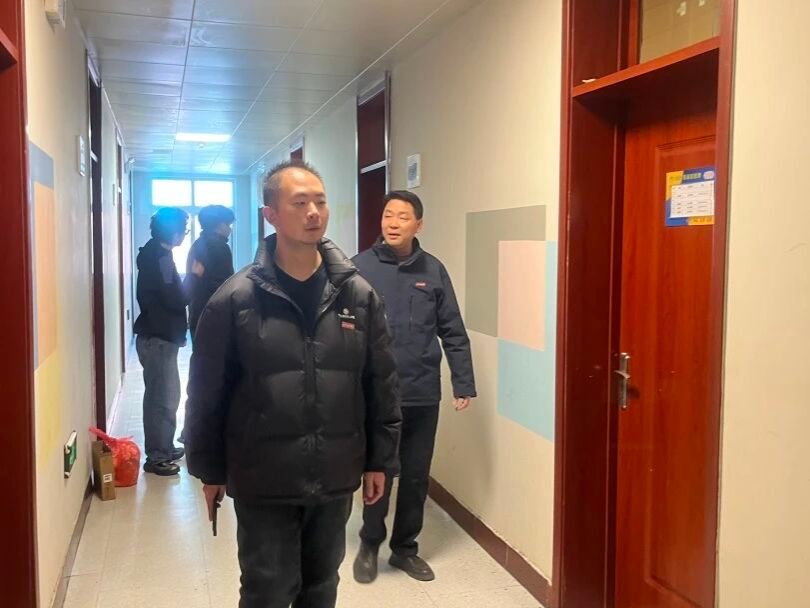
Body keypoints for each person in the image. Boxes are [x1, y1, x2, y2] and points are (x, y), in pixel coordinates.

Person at [184, 160, 402, 608]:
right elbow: (206, 393)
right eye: (299, 203)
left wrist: (380, 459)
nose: (313, 212)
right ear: (271, 215)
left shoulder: (357, 295)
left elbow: (380, 382)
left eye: (320, 201)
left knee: (321, 586)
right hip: (263, 476)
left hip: (334, 472)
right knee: (266, 590)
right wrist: (210, 469)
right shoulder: (235, 299)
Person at [351, 190, 476, 583]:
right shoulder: (359, 268)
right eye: (388, 215)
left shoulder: (433, 270)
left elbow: (452, 330)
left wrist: (463, 382)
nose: (393, 223)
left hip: (422, 391)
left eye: (403, 217)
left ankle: (405, 548)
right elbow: (342, 329)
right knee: (378, 472)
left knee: (417, 475)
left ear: (418, 225)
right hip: (377, 393)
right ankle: (370, 542)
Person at [133, 207, 190, 477]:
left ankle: (164, 447)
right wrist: (194, 278)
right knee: (162, 399)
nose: (185, 234)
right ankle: (157, 457)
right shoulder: (161, 258)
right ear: (174, 232)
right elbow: (175, 298)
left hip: (156, 336)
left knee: (167, 395)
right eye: (184, 229)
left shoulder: (154, 253)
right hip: (158, 338)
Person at [184, 204, 236, 340]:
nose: (230, 229)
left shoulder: (198, 244)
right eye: (228, 224)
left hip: (198, 311)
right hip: (215, 314)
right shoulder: (220, 247)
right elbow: (224, 285)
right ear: (219, 225)